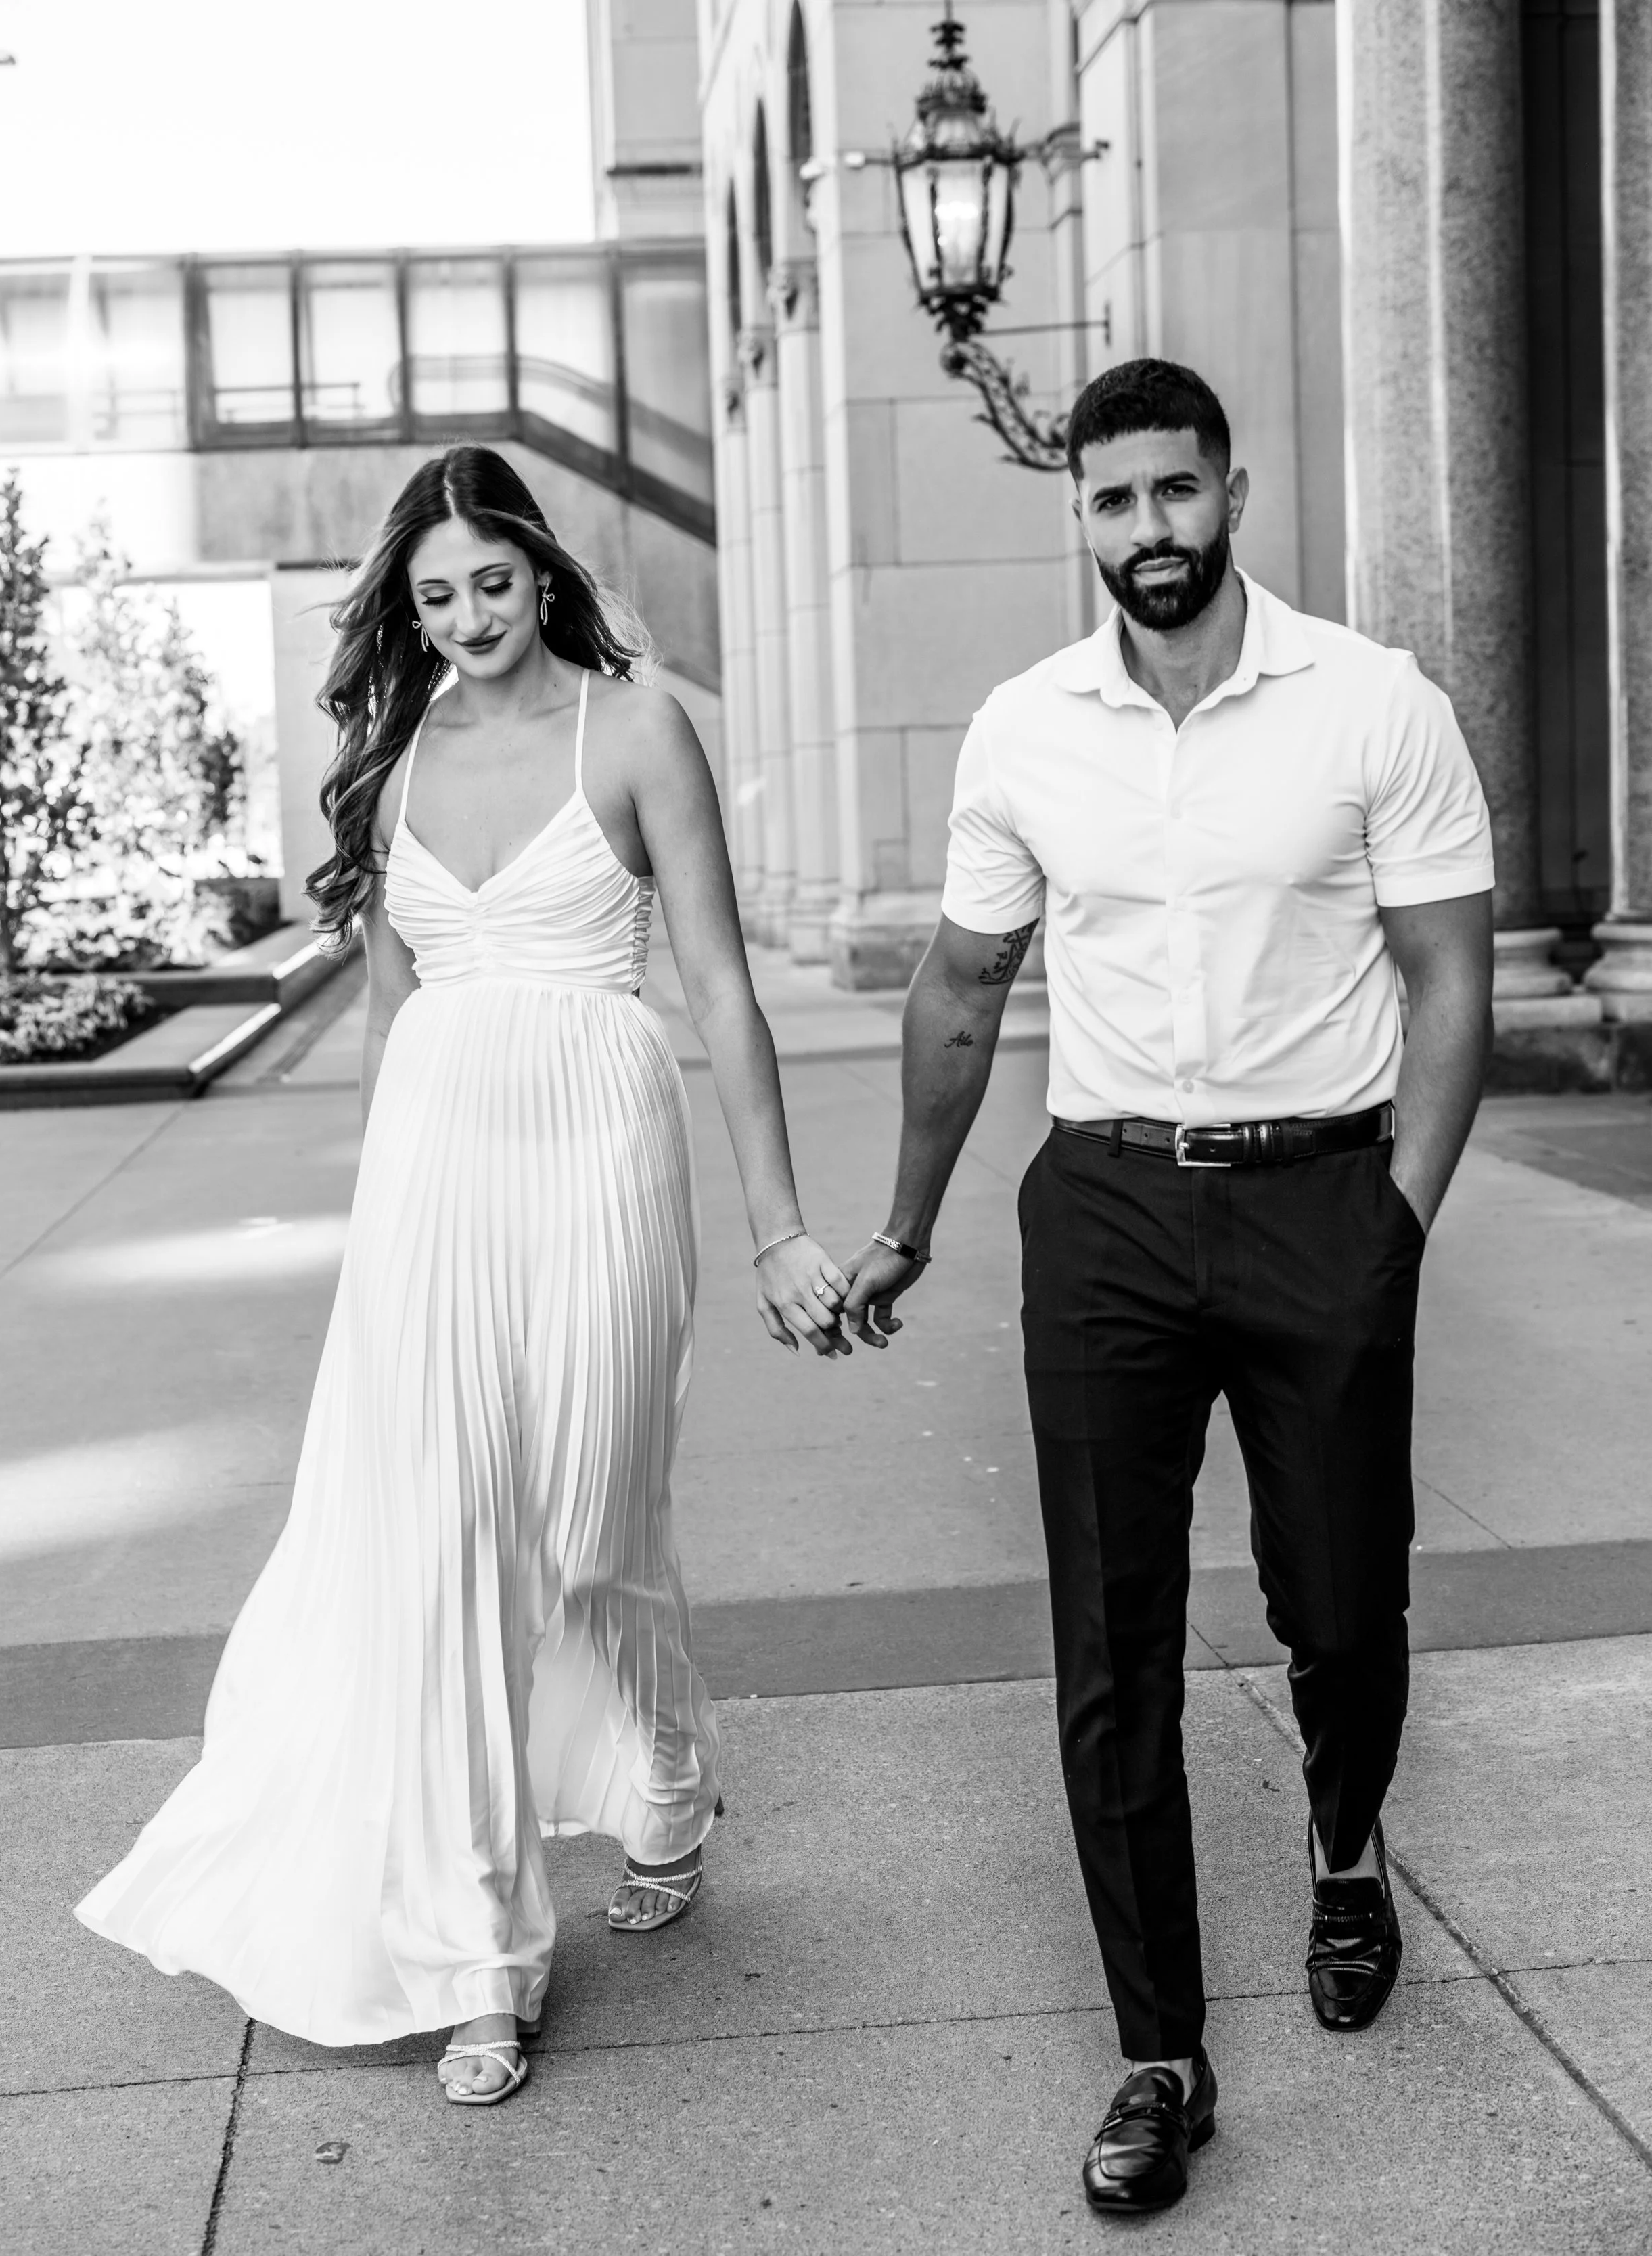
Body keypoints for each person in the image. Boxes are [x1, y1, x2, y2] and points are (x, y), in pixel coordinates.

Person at [76, 445, 851, 2108]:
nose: (467, 616)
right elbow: (388, 1014)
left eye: (490, 582)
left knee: (586, 1529)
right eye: (432, 595)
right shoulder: (384, 759)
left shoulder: (634, 727)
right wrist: (373, 1243)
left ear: (540, 571)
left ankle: (663, 1760)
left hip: (600, 1153)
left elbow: (715, 983)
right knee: (452, 1568)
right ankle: (479, 1956)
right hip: (434, 1185)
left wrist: (781, 1219)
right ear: (403, 608)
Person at [840, 360, 1494, 2213]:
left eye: (1173, 492)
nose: (1147, 530)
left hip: (1320, 1196)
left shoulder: (1369, 702)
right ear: (1079, 512)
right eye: (1111, 500)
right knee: (1110, 1638)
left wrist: (1396, 1222)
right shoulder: (1023, 728)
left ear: (1231, 485)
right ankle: (1159, 2047)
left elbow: (1449, 972)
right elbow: (961, 988)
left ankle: (1345, 1841)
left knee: (1342, 1603)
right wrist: (907, 1222)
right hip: (1109, 1207)